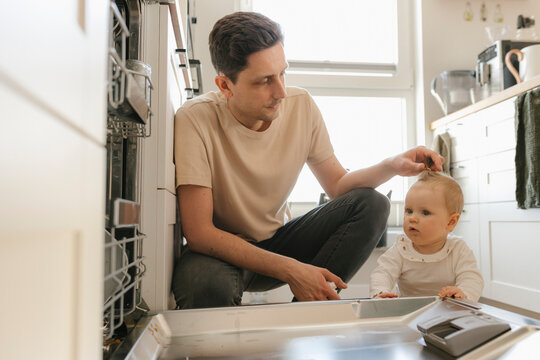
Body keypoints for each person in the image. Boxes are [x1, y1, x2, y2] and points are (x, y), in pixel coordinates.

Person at [172, 11, 444, 309]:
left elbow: (338, 185)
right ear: (225, 86)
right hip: (220, 251)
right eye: (264, 81)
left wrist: (392, 165)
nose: (281, 91)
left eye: (282, 73)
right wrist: (292, 270)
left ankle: (303, 314)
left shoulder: (300, 106)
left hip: (278, 239)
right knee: (199, 281)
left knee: (373, 204)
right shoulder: (194, 119)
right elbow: (199, 233)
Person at [369, 171, 484, 301]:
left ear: (451, 222)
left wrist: (462, 293)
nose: (412, 218)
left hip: (449, 309)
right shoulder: (402, 247)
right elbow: (383, 273)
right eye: (409, 211)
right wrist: (381, 292)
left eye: (425, 212)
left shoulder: (458, 249)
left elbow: (472, 278)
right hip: (409, 311)